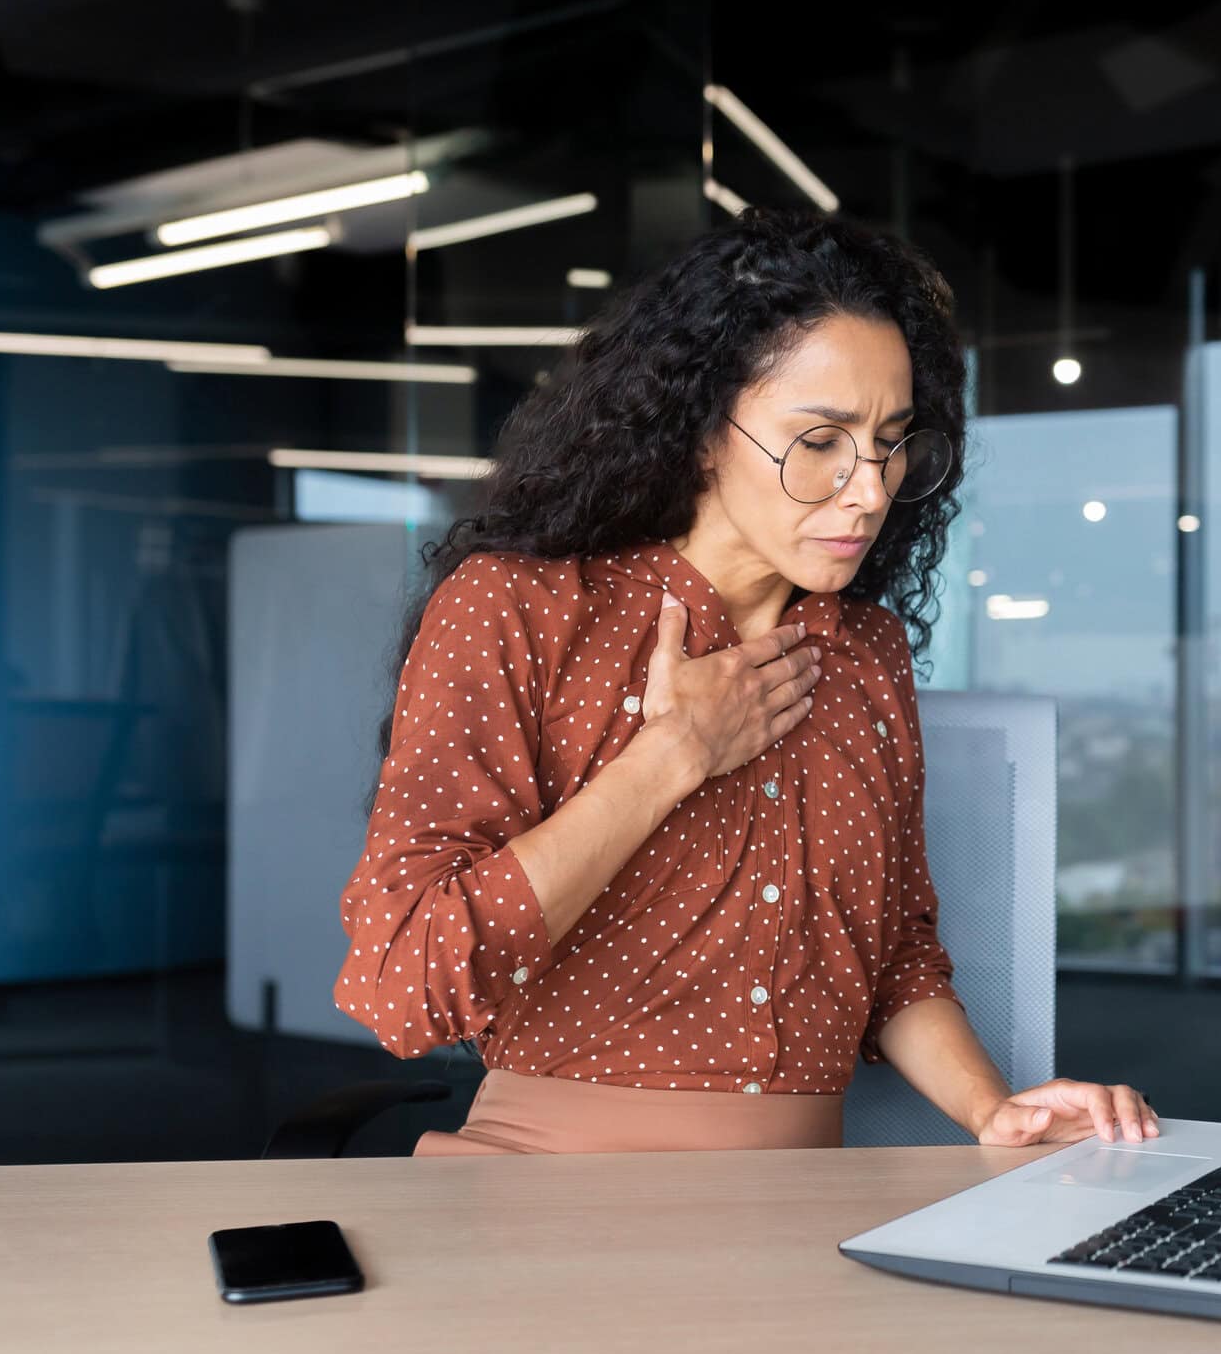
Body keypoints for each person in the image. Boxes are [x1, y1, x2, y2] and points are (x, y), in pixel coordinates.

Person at [334, 208, 1158, 1155]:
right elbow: (407, 981)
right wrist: (672, 756)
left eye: (891, 442)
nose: (870, 488)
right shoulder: (520, 609)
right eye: (821, 442)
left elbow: (891, 957)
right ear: (699, 431)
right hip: (542, 1188)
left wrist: (991, 1109)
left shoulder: (865, 653)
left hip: (803, 1206)